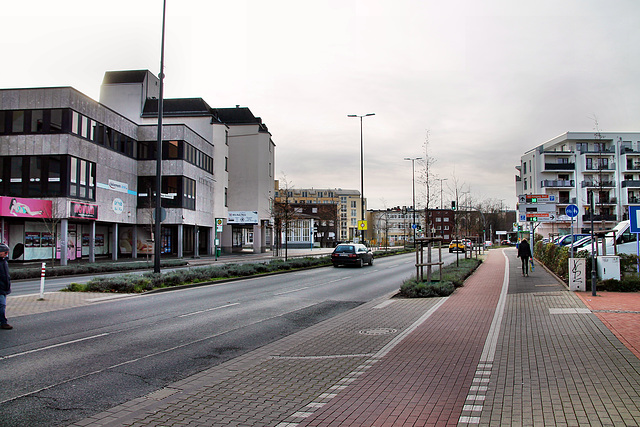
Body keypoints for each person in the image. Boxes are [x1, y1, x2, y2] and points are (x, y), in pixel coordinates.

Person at [0, 243, 12, 330]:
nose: (6, 253)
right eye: (4, 252)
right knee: (2, 305)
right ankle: (3, 322)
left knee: (2, 305)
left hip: (4, 287)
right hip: (1, 288)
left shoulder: (4, 261)